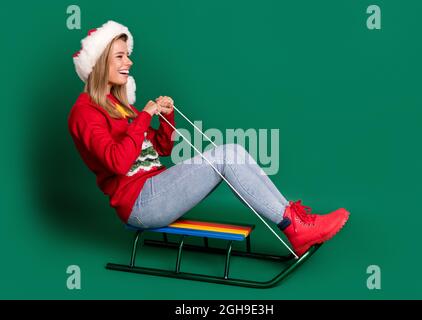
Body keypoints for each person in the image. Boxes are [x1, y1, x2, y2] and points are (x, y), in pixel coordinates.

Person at [68, 20, 349, 257]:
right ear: (100, 61)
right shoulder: (84, 112)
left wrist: (165, 117)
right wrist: (144, 116)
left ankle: (296, 221)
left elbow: (162, 148)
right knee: (226, 155)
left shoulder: (119, 105)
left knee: (232, 150)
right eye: (120, 56)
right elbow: (117, 163)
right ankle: (294, 225)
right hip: (140, 204)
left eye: (127, 54)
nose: (129, 61)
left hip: (155, 188)